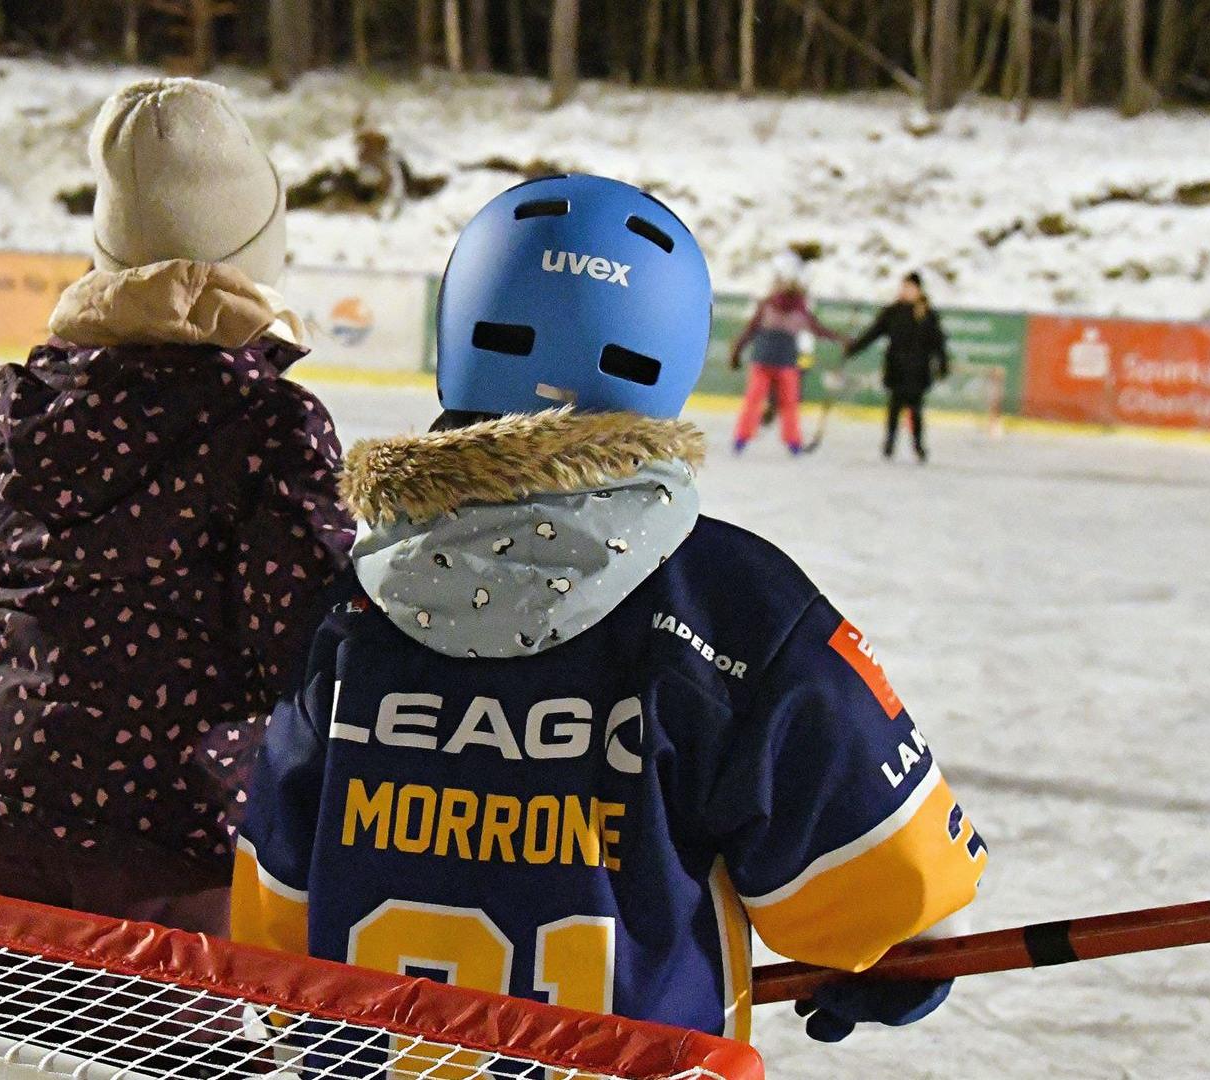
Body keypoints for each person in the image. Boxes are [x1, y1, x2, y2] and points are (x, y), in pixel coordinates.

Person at [232, 174, 988, 1048]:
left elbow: (275, 924)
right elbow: (902, 911)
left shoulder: (351, 607)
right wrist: (894, 969)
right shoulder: (735, 609)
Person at [0, 77, 355, 946]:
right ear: (255, 259)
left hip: (8, 802)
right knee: (166, 1034)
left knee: (12, 1031)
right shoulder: (267, 425)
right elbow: (308, 644)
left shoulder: (25, 402)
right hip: (170, 828)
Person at [728, 252, 845, 454]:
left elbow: (750, 331)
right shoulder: (794, 308)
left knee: (761, 401)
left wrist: (736, 352)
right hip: (779, 361)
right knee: (784, 403)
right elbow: (818, 330)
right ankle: (789, 442)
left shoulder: (772, 305)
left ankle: (745, 439)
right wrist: (842, 339)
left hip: (771, 360)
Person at [846, 271, 950, 462]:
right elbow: (874, 333)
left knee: (915, 410)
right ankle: (889, 443)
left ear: (918, 290)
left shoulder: (927, 314)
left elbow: (938, 342)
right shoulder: (893, 312)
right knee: (894, 407)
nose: (905, 291)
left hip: (918, 370)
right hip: (897, 368)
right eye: (903, 287)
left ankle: (918, 446)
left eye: (909, 287)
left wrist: (943, 364)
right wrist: (854, 348)